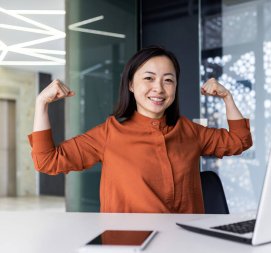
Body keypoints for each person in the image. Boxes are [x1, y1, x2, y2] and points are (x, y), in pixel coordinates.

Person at [29, 46, 253, 213]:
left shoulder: (189, 131)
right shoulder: (109, 133)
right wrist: (41, 104)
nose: (159, 88)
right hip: (130, 244)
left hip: (187, 243)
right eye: (149, 78)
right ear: (130, 85)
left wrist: (227, 98)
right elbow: (47, 160)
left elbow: (239, 141)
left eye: (168, 80)